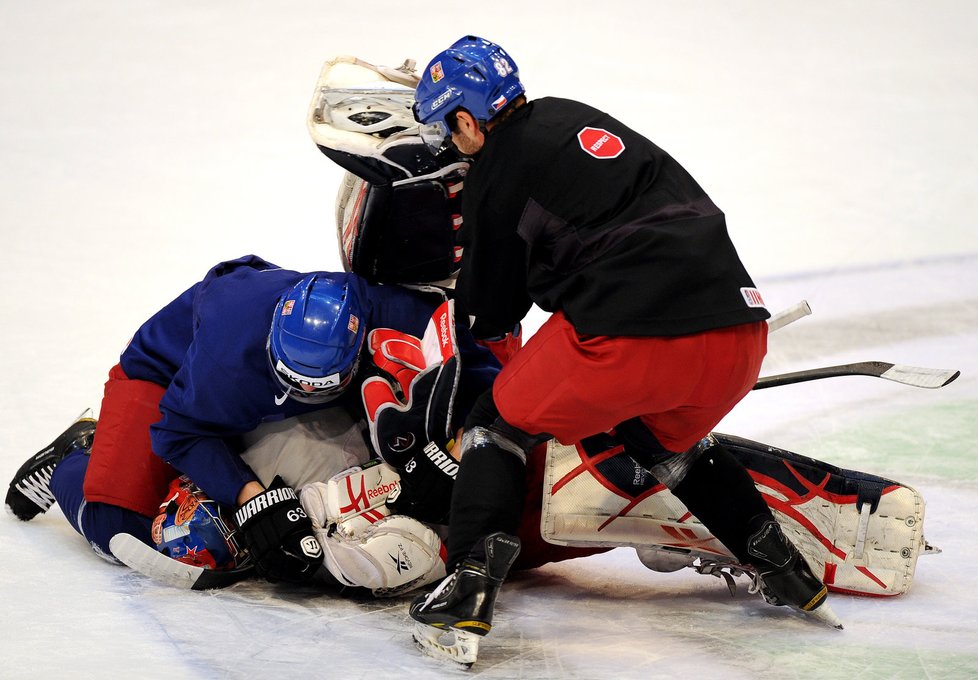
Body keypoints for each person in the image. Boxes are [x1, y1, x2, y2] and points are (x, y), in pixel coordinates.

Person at [408, 35, 838, 656]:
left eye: (446, 131)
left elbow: (493, 315)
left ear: (467, 120)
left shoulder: (495, 174)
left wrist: (511, 374)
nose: (448, 145)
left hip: (631, 340)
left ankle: (466, 591)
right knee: (664, 440)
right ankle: (782, 569)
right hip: (740, 336)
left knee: (495, 424)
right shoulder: (570, 114)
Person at [4, 254, 484, 583]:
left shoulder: (389, 310)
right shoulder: (227, 359)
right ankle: (77, 454)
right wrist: (255, 499)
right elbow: (181, 429)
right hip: (169, 383)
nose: (302, 393)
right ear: (273, 343)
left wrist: (454, 449)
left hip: (249, 402)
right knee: (120, 529)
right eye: (292, 380)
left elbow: (484, 371)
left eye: (321, 385)